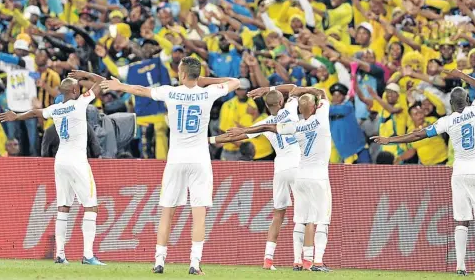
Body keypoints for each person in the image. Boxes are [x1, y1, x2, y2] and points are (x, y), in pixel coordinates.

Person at [100, 57, 239, 275]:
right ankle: (194, 263)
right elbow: (234, 81)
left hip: (175, 160)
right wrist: (204, 80)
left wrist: (120, 86)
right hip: (200, 159)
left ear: (182, 74)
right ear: (197, 75)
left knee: (167, 211)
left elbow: (141, 90)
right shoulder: (208, 92)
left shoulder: (170, 92)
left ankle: (159, 261)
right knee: (199, 212)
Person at [372, 69, 475, 277]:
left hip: (458, 173)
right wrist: (462, 76)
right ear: (467, 99)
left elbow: (419, 134)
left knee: (462, 220)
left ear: (450, 105)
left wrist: (391, 139)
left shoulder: (446, 121)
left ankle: (460, 266)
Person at [0, 70, 106, 266]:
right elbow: (102, 81)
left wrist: (17, 116)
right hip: (77, 161)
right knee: (91, 207)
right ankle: (88, 255)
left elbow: (36, 112)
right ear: (74, 89)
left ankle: (60, 254)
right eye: (78, 86)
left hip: (60, 160)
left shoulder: (55, 109)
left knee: (63, 208)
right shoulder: (80, 103)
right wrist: (84, 74)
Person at [226, 86, 332, 272]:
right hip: (315, 174)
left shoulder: (294, 126)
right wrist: (268, 88)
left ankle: (284, 260)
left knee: (290, 217)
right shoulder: (318, 116)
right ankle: (313, 261)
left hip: (291, 172)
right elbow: (310, 91)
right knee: (316, 219)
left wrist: (233, 133)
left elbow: (267, 127)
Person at [209, 86, 300, 270]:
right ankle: (299, 260)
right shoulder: (290, 109)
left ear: (267, 106)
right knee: (302, 214)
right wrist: (268, 88)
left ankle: (268, 259)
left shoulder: (264, 122)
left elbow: (237, 135)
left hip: (280, 168)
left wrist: (209, 140)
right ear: (281, 102)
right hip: (298, 165)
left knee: (278, 215)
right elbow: (294, 88)